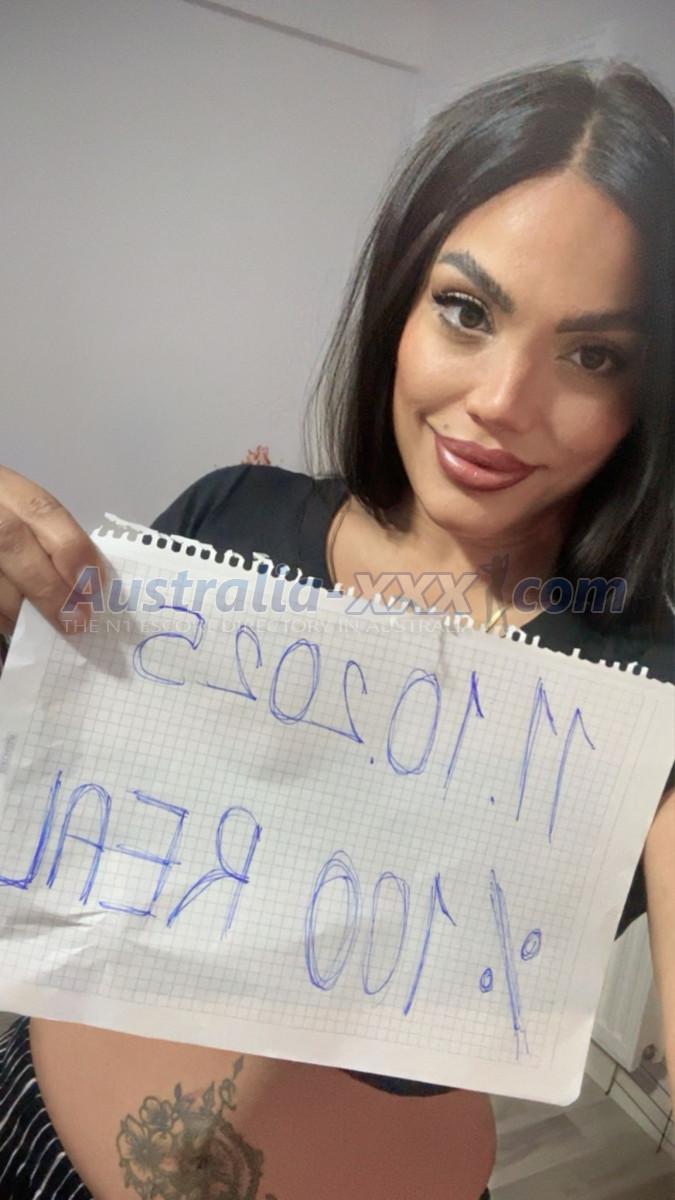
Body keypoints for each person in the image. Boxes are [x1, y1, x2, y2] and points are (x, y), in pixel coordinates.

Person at [0, 58, 673, 1200]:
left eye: (592, 354)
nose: (503, 401)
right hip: (31, 1140)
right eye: (466, 310)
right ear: (400, 303)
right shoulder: (229, 519)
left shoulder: (637, 693)